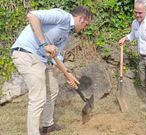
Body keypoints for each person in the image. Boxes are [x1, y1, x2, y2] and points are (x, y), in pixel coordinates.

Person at [11, 6, 91, 135]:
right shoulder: (62, 16)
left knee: (53, 89)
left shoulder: (67, 33)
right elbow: (32, 15)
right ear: (81, 19)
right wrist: (44, 44)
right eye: (86, 25)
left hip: (41, 59)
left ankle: (48, 126)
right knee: (38, 97)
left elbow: (56, 56)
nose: (85, 28)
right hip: (27, 53)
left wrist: (68, 74)